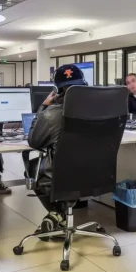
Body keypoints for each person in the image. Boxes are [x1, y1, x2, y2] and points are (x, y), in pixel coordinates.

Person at [26, 63, 88, 236]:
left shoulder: (52, 113)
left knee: (32, 166)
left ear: (57, 91)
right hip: (95, 173)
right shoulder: (99, 109)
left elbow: (34, 141)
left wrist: (43, 107)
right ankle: (59, 215)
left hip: (61, 176)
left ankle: (58, 214)